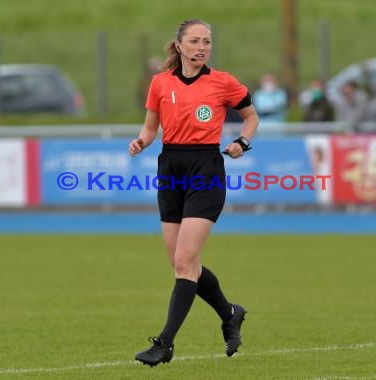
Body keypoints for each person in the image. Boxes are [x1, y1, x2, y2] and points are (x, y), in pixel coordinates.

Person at [128, 19, 259, 367]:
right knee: (182, 263)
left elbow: (251, 117)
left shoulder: (222, 82)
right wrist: (141, 141)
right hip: (170, 168)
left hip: (205, 169)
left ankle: (165, 343)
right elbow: (150, 127)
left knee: (185, 262)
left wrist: (242, 143)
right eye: (195, 41)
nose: (202, 47)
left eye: (207, 42)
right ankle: (230, 312)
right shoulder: (160, 83)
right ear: (180, 45)